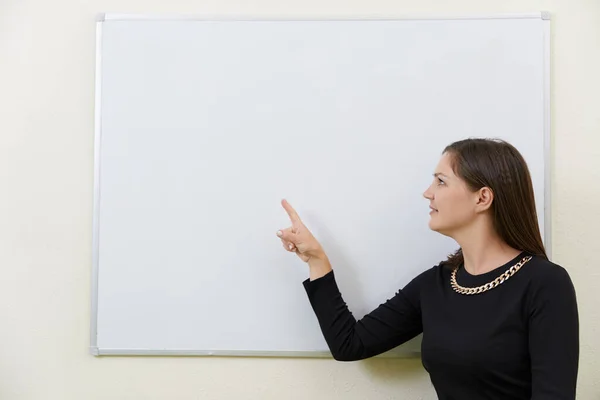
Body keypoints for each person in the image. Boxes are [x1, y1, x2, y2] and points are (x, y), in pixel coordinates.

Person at [276, 138, 579, 400]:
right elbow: (350, 344)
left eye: (441, 181)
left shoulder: (545, 284)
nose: (427, 192)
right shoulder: (437, 284)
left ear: (482, 197)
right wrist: (317, 259)